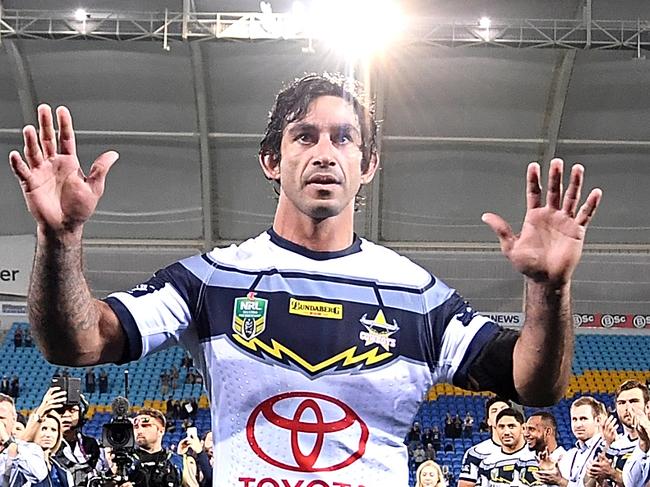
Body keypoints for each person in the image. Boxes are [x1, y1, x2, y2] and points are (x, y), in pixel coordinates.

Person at [9, 73, 603, 485]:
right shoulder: (213, 280)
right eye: (305, 136)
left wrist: (548, 292)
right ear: (274, 160)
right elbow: (78, 342)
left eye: (344, 138)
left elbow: (536, 385)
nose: (325, 152)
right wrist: (59, 242)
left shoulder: (418, 296)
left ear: (367, 165)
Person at [586, 380, 650, 487]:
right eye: (622, 403)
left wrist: (612, 473)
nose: (627, 408)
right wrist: (600, 479)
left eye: (634, 401)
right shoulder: (615, 446)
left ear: (648, 406)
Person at [536, 396, 607, 487]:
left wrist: (559, 481)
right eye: (574, 419)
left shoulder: (605, 449)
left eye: (583, 419)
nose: (578, 425)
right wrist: (549, 473)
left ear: (598, 420)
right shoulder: (571, 454)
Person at [477, 408, 540, 487]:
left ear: (523, 428)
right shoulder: (487, 463)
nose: (506, 432)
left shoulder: (538, 458)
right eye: (501, 427)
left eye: (511, 426)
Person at [458, 396, 510, 487]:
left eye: (504, 409)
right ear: (488, 421)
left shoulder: (532, 451)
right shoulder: (475, 453)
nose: (500, 413)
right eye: (494, 411)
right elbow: (465, 485)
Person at [0, 393, 49, 484]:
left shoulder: (29, 449)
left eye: (1, 418)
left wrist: (7, 441)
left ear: (14, 419)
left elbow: (39, 475)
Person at [23, 412, 74, 487]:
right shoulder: (22, 465)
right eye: (44, 428)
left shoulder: (64, 473)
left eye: (53, 430)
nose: (48, 435)